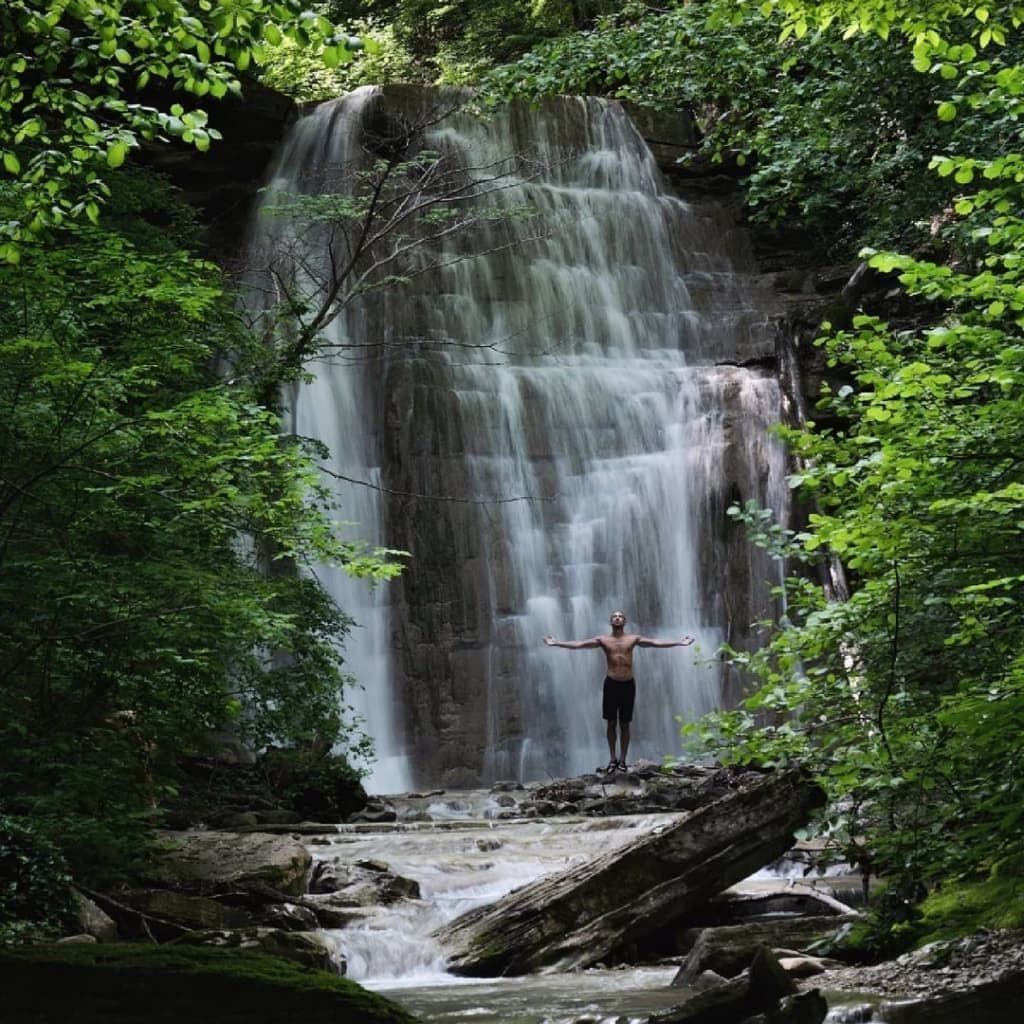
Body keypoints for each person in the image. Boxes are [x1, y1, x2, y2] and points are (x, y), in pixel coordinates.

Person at [543, 611, 694, 773]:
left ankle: (623, 760)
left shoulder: (633, 639)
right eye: (614, 616)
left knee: (625, 724)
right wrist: (557, 643)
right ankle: (612, 759)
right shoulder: (603, 640)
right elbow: (579, 644)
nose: (617, 617)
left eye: (620, 616)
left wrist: (678, 642)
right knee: (611, 722)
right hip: (611, 683)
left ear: (625, 621)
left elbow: (655, 642)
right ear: (610, 622)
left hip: (628, 684)